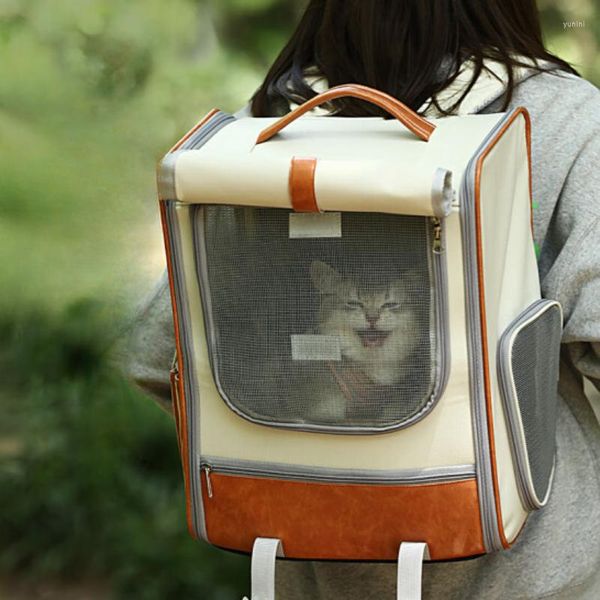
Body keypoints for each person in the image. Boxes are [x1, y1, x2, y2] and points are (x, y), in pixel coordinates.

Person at [125, 1, 600, 598]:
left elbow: (157, 356)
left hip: (310, 569)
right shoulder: (560, 117)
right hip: (535, 575)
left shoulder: (268, 129)